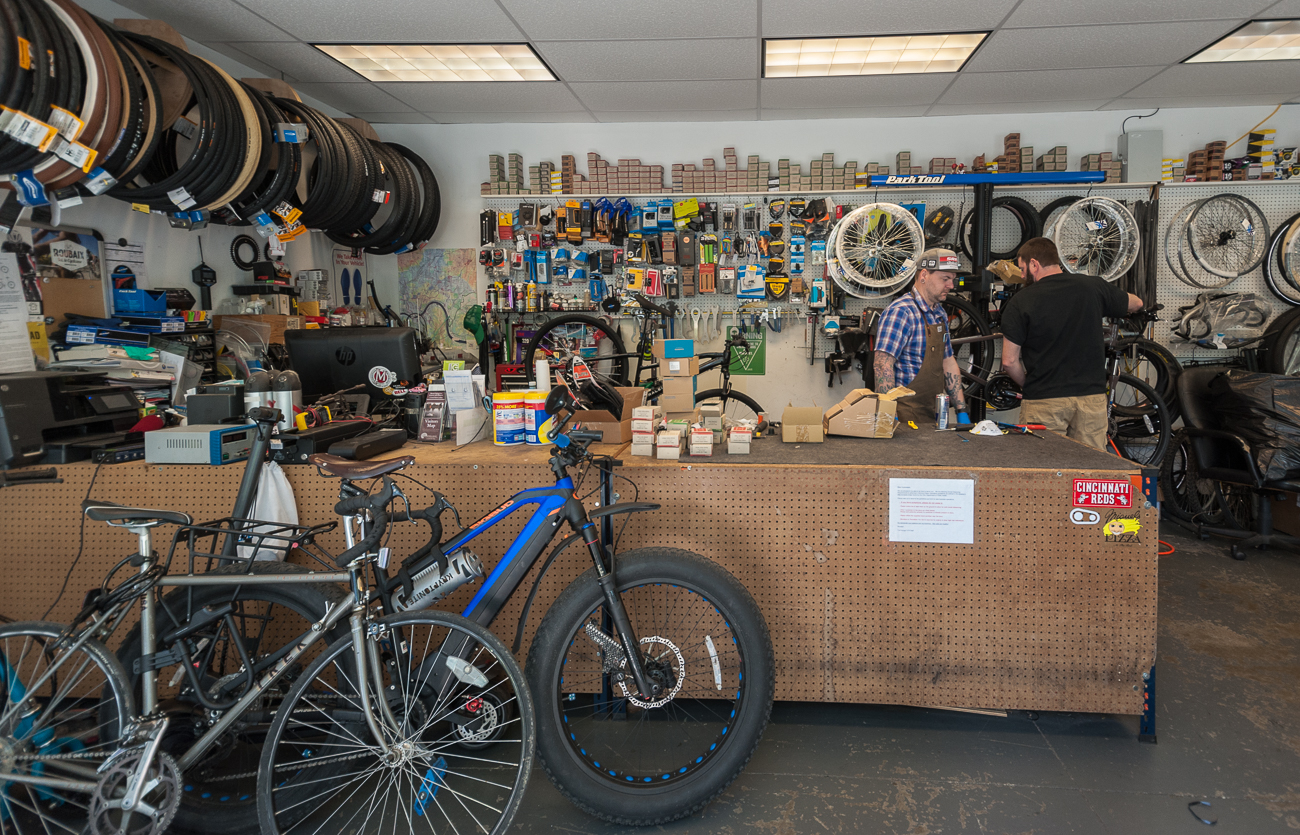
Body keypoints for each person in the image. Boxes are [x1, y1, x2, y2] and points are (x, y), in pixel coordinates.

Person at [1000, 237, 1144, 450]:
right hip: (1090, 399)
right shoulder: (1092, 287)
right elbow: (1137, 303)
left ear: (1034, 264)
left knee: (1044, 472)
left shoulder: (1021, 301)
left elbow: (1009, 361)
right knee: (1090, 474)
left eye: (1022, 269)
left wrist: (1028, 384)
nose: (1021, 276)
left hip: (1044, 400)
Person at [873, 248, 970, 425]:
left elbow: (948, 361)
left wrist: (961, 409)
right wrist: (888, 413)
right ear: (924, 275)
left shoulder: (939, 313)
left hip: (933, 412)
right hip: (905, 415)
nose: (951, 285)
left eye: (953, 279)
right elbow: (882, 364)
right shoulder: (901, 312)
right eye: (945, 279)